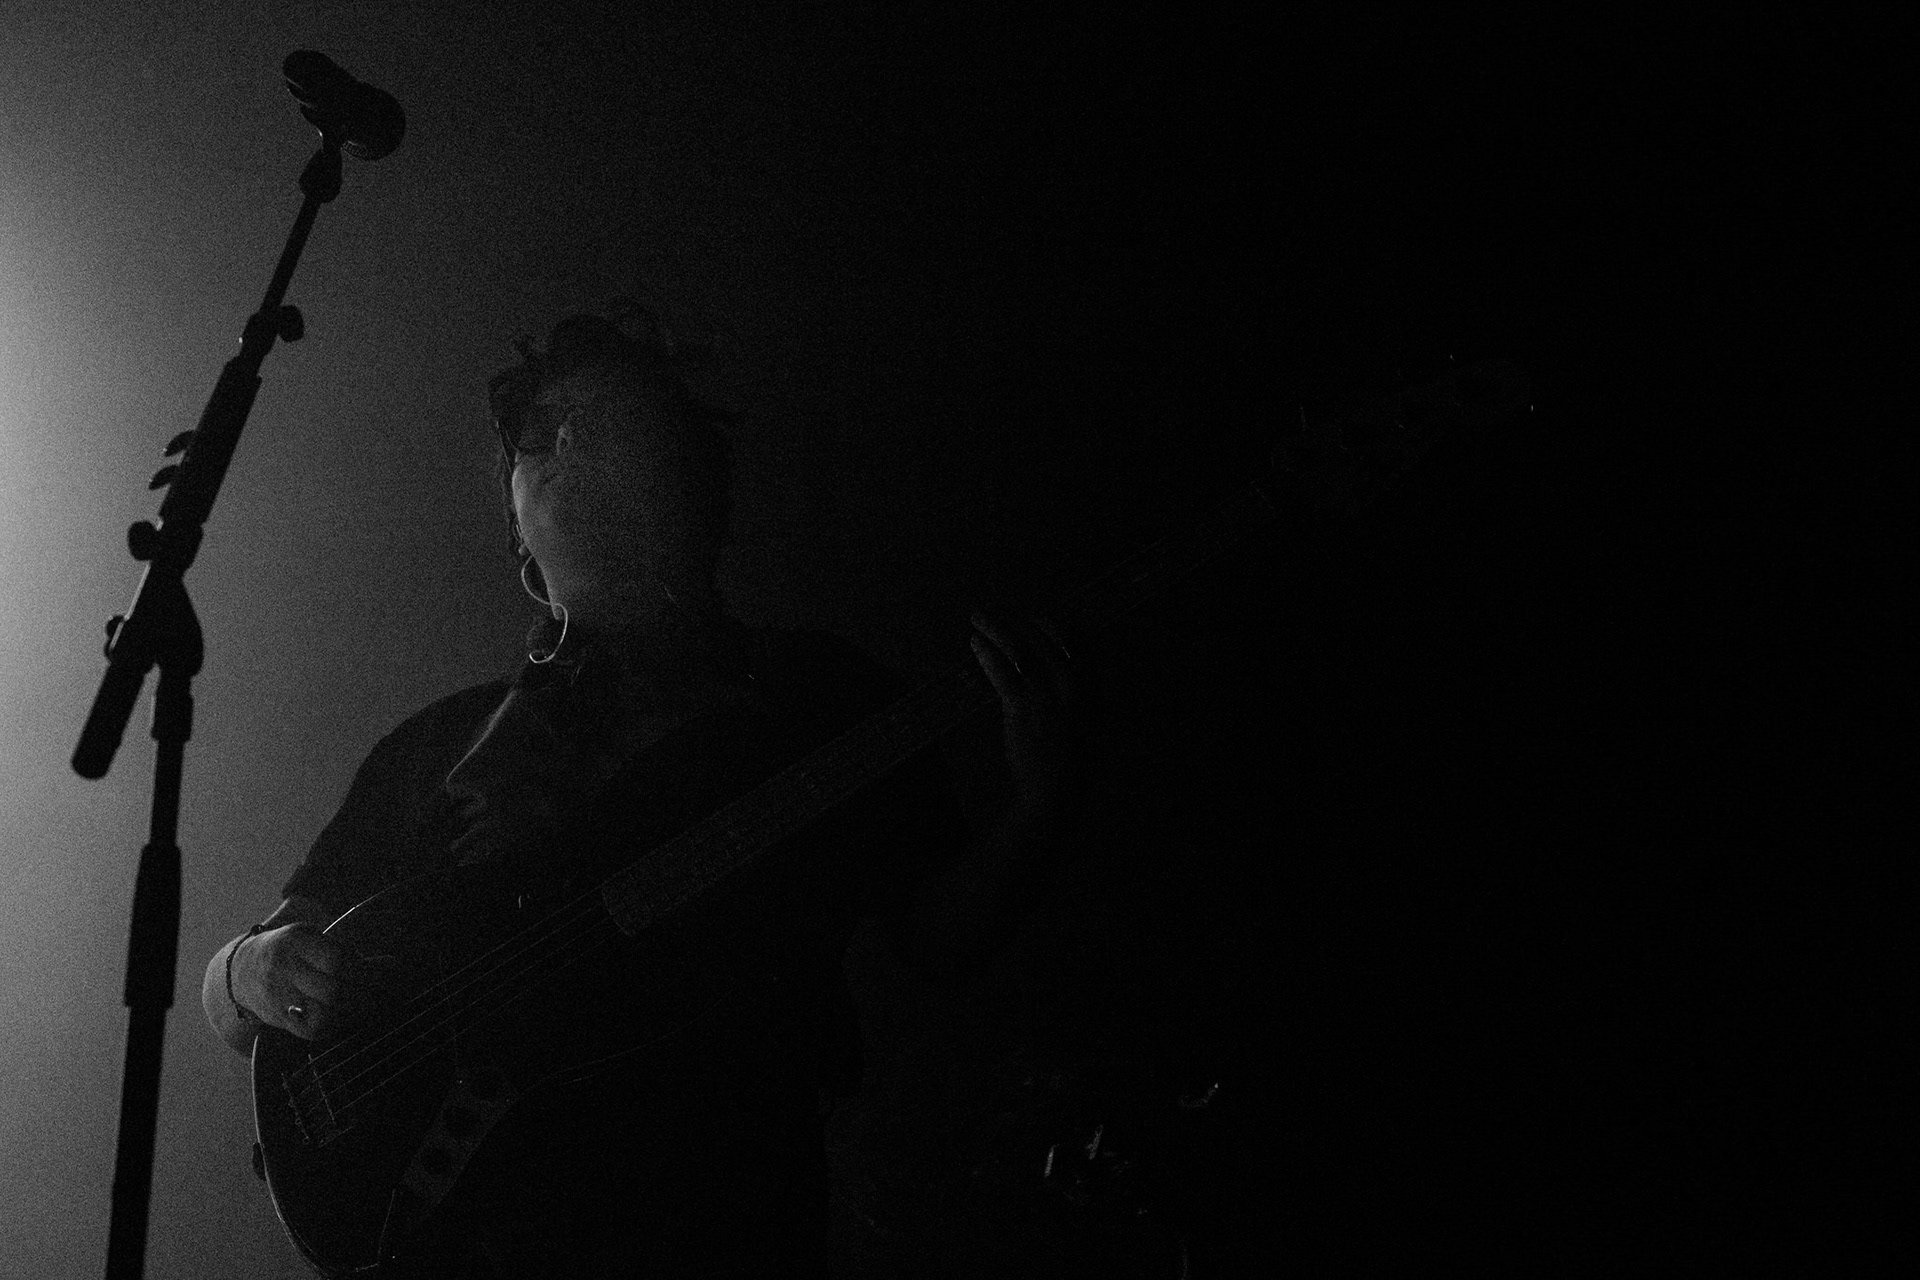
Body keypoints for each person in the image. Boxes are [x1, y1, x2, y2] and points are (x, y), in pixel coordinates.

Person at [200, 308, 1078, 1277]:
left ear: (693, 486)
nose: (568, 444)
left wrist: (1042, 797)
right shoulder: (432, 746)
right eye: (543, 435)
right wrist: (247, 969)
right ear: (520, 540)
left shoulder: (817, 695)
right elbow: (248, 993)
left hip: (722, 1220)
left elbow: (939, 939)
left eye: (606, 424)